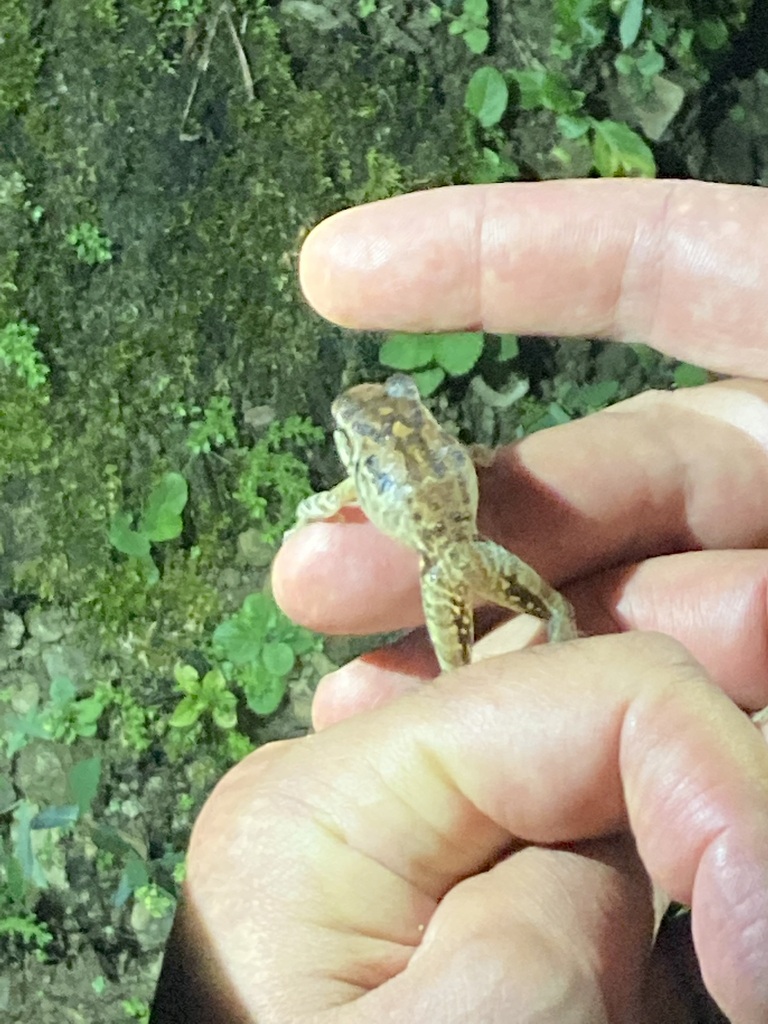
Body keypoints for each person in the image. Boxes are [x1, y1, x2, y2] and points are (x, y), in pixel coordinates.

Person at [150, 179, 768, 1024]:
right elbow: (457, 456)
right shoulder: (423, 447)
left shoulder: (365, 482)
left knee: (465, 677)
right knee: (524, 625)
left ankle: (527, 698)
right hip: (466, 546)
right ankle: (542, 682)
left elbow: (347, 497)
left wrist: (318, 505)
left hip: (451, 557)